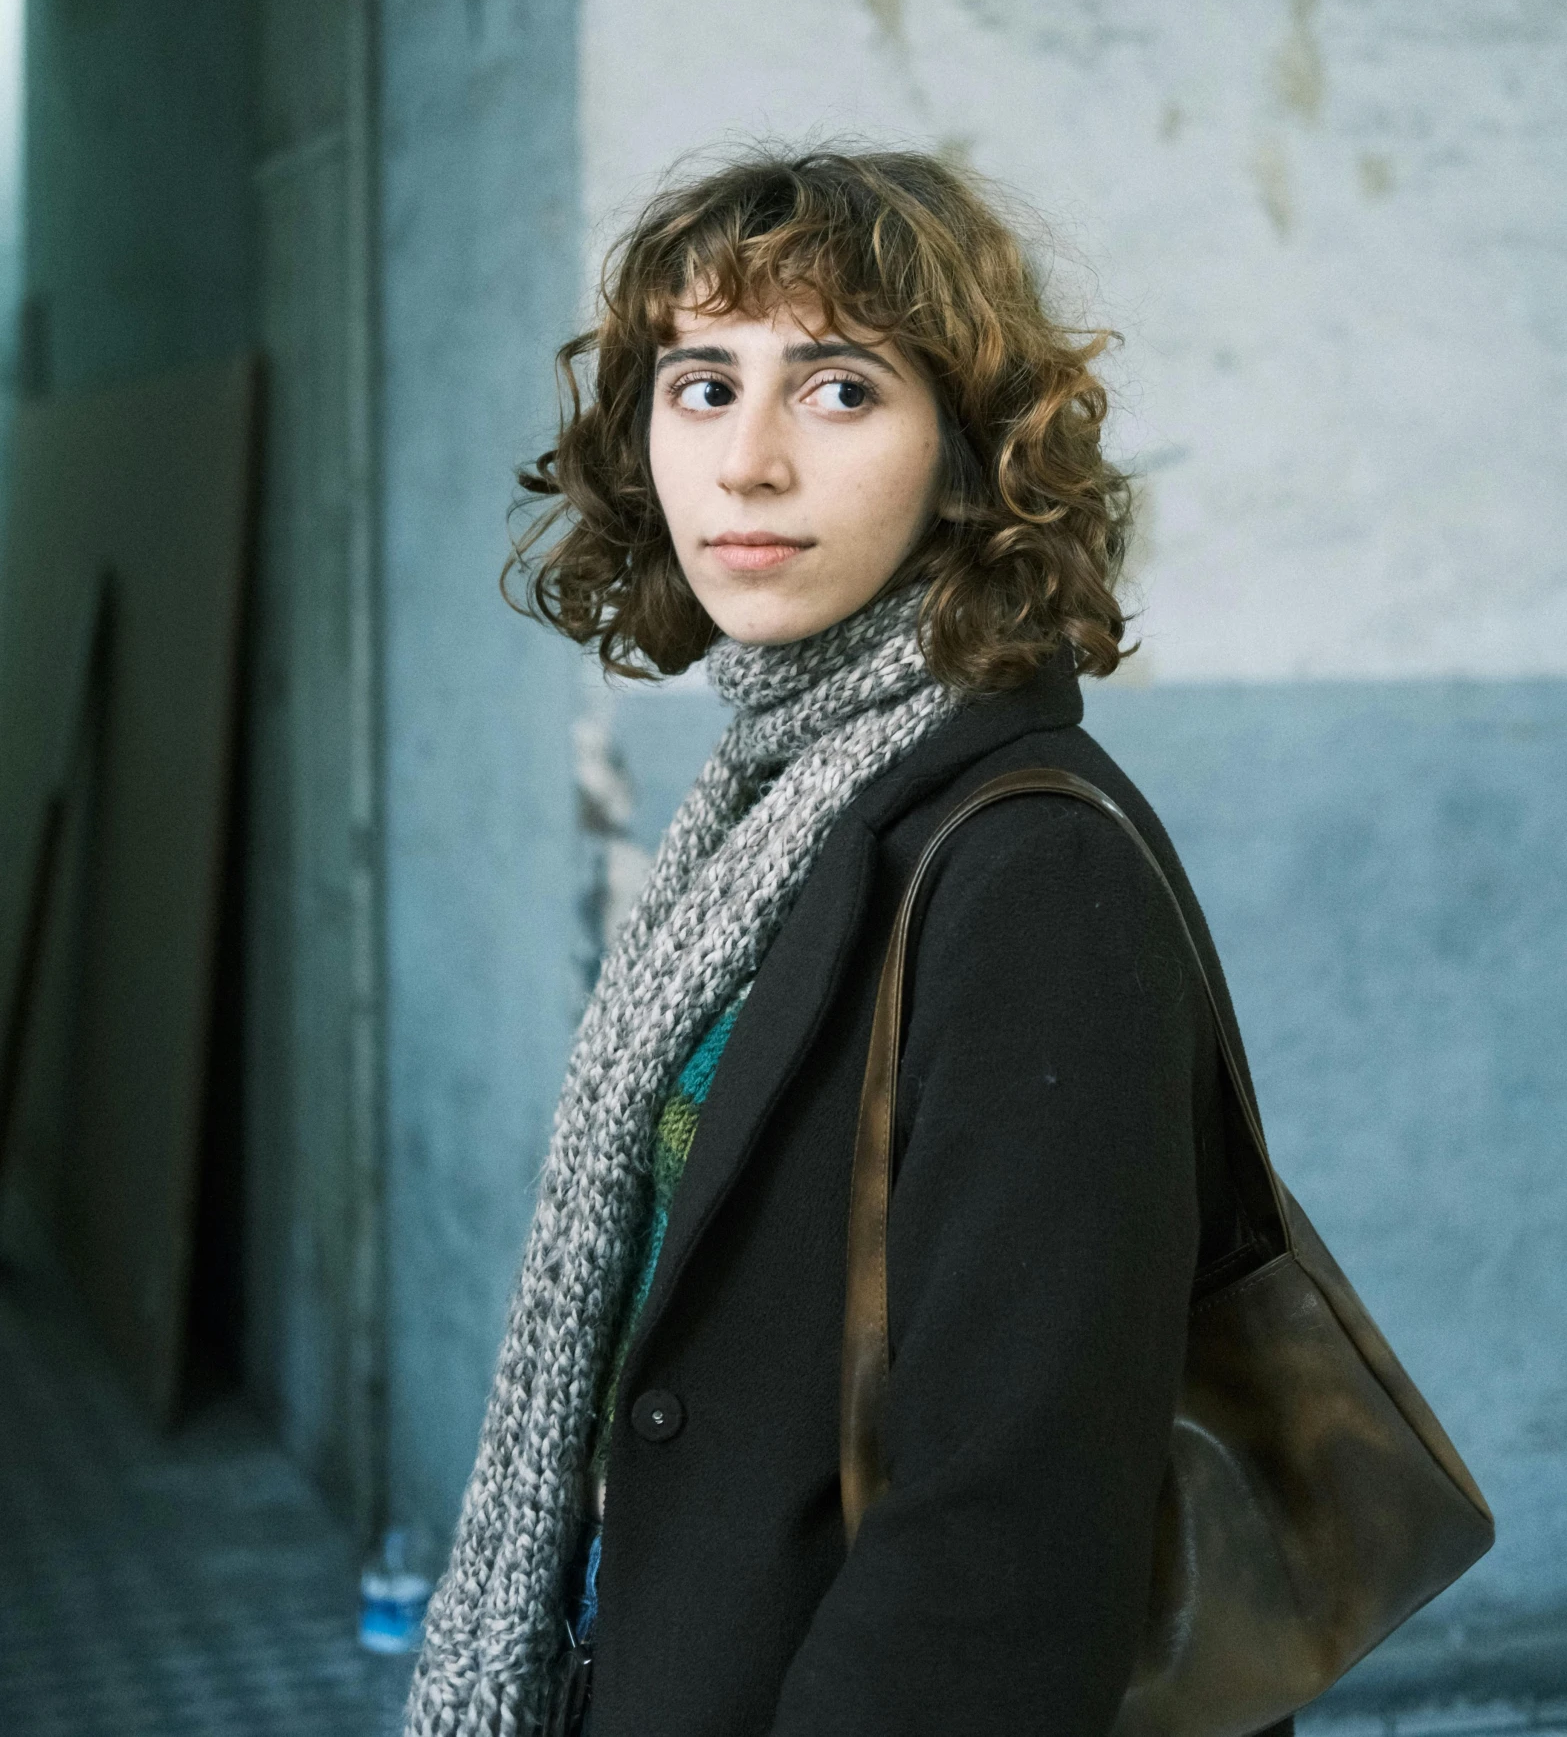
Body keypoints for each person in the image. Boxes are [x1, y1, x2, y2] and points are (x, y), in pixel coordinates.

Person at [404, 148, 1291, 1737]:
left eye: (834, 390)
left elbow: (1005, 1530)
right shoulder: (769, 816)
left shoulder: (1026, 867)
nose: (746, 461)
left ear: (966, 460)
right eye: (699, 384)